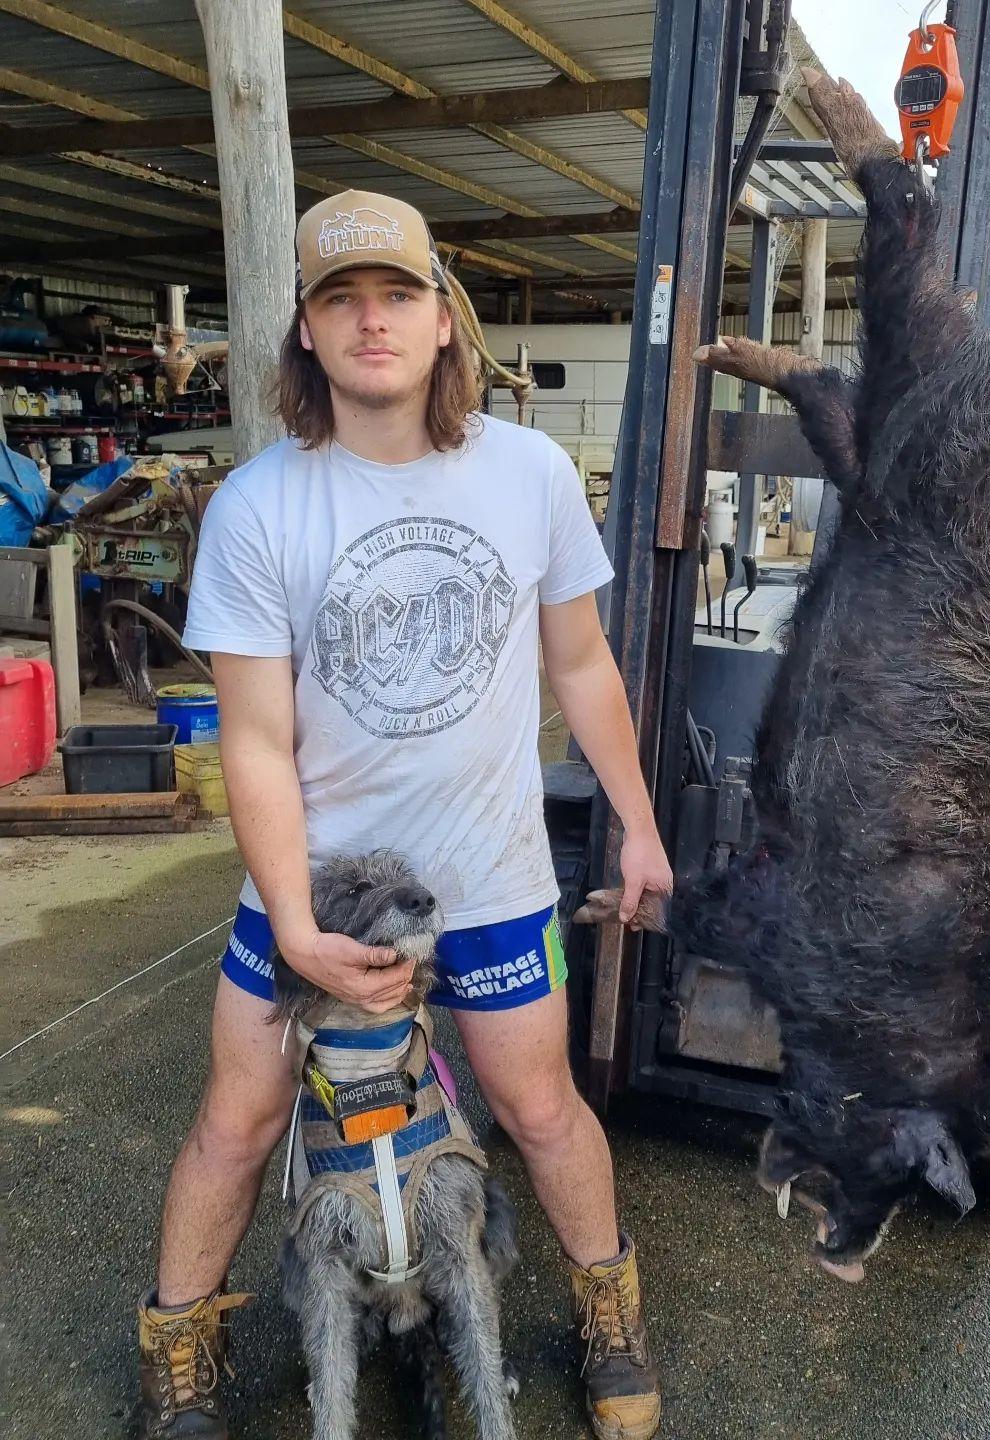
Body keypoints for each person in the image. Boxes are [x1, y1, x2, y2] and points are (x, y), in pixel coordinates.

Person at [136, 190, 669, 1440]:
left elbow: (582, 665)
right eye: (341, 299)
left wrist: (638, 825)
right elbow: (254, 741)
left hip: (490, 882)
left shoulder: (530, 474)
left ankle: (609, 1311)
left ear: (444, 320)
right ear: (307, 331)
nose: (371, 320)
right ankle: (178, 1348)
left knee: (538, 1108)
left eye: (398, 294)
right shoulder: (259, 505)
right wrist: (293, 922)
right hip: (317, 889)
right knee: (240, 1117)